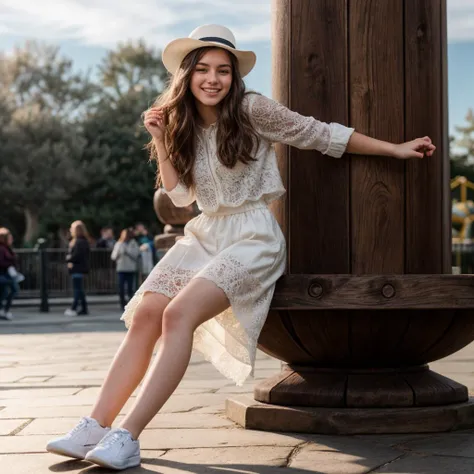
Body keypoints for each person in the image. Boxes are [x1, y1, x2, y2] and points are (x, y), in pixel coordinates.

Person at [46, 24, 436, 470]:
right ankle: (94, 424)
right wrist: (159, 140)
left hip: (254, 237)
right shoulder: (180, 122)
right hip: (205, 232)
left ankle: (127, 436)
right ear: (187, 75)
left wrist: (395, 149)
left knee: (178, 315)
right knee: (147, 314)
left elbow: (319, 134)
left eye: (224, 71)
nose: (214, 79)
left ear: (235, 77)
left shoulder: (251, 109)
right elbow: (179, 198)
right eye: (204, 70)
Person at [64, 220, 91, 317]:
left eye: (72, 228)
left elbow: (76, 255)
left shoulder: (79, 242)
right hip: (79, 267)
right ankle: (84, 308)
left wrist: (68, 259)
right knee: (79, 289)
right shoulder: (82, 241)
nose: (70, 230)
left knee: (77, 289)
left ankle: (74, 307)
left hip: (77, 267)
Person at [111, 228, 140, 311]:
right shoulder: (119, 243)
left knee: (130, 288)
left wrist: (127, 252)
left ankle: (130, 304)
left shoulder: (134, 243)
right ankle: (122, 303)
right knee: (121, 287)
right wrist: (119, 252)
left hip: (130, 268)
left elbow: (136, 255)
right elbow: (113, 256)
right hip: (121, 268)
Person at [0, 228, 19, 321]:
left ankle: (3, 310)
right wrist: (10, 264)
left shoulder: (6, 248)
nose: (11, 239)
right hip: (3, 274)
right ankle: (4, 310)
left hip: (6, 274)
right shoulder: (2, 248)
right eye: (9, 238)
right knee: (12, 290)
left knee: (3, 293)